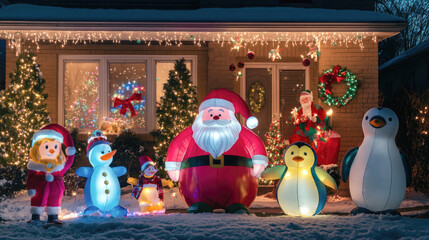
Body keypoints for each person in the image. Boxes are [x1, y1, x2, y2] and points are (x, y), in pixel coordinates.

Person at [165, 89, 268, 214]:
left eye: (221, 113)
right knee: (199, 202)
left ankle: (238, 204)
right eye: (210, 113)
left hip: (239, 183)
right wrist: (174, 167)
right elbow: (177, 144)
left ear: (230, 116)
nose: (215, 116)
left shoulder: (240, 132)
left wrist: (259, 162)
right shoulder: (193, 132)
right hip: (196, 181)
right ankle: (199, 203)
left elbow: (255, 142)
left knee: (237, 201)